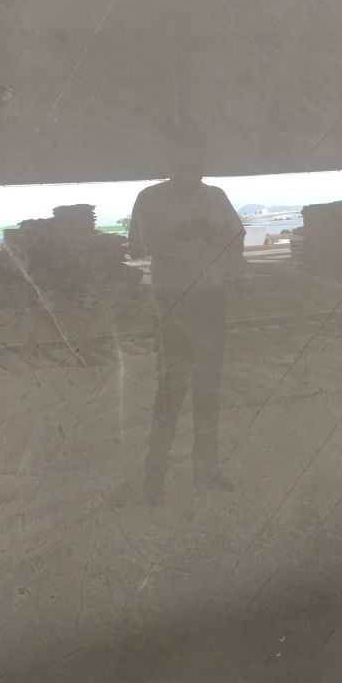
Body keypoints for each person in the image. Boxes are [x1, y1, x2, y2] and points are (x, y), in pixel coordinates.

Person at [128, 139, 245, 505]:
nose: (190, 169)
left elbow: (236, 237)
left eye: (196, 162)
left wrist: (225, 253)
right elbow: (138, 244)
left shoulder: (216, 198)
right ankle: (155, 475)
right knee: (172, 387)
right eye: (183, 161)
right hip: (174, 300)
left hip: (211, 298)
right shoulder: (150, 199)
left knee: (209, 386)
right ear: (172, 162)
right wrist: (187, 235)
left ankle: (206, 471)